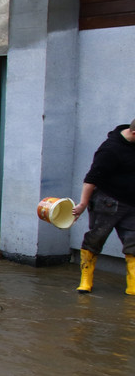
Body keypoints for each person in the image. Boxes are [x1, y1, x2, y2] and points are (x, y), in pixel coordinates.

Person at [71, 118, 135, 295]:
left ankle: (133, 286)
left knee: (134, 243)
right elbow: (91, 178)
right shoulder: (110, 149)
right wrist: (83, 204)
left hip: (132, 205)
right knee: (96, 237)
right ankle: (86, 280)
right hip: (108, 202)